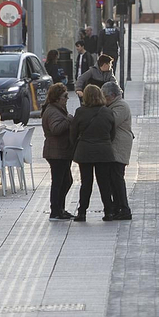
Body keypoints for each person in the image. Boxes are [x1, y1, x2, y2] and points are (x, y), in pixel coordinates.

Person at [71, 84, 118, 221]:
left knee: (86, 183)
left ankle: (82, 212)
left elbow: (73, 133)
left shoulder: (80, 112)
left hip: (85, 151)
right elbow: (112, 133)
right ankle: (108, 211)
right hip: (104, 151)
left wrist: (76, 144)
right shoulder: (107, 112)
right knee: (104, 183)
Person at [38, 84, 76, 221]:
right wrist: (69, 120)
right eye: (65, 96)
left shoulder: (57, 109)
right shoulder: (53, 111)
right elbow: (56, 129)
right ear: (57, 98)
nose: (67, 99)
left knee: (66, 180)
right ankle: (56, 210)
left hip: (61, 151)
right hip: (56, 152)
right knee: (59, 181)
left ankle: (60, 208)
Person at [102, 81, 134, 221]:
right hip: (113, 147)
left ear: (113, 95)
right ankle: (117, 207)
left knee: (117, 178)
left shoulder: (121, 106)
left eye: (105, 97)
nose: (103, 99)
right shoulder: (112, 105)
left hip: (119, 147)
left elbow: (110, 122)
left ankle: (124, 208)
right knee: (112, 179)